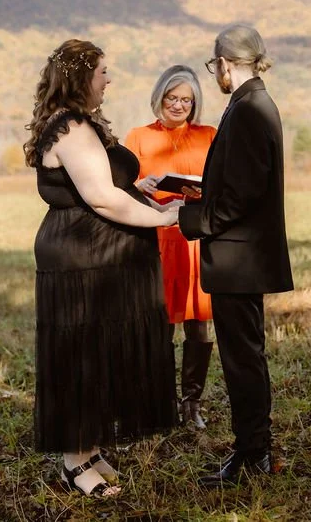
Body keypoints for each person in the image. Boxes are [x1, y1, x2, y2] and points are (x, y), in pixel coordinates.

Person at [24, 39, 180, 498]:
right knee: (81, 354)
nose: (109, 80)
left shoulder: (82, 123)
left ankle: (89, 446)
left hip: (104, 259)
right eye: (103, 72)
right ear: (80, 78)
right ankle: (74, 460)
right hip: (82, 259)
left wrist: (141, 185)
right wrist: (162, 218)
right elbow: (99, 197)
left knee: (103, 348)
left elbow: (108, 182)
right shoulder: (70, 127)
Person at [177, 24, 294, 488]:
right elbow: (240, 183)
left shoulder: (249, 109)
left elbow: (242, 197)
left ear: (225, 63)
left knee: (243, 359)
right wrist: (200, 192)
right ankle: (253, 452)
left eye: (215, 67)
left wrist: (186, 219)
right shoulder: (250, 105)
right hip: (239, 256)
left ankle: (253, 456)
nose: (216, 75)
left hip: (238, 260)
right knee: (244, 357)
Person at [124, 65, 216, 429]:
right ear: (159, 98)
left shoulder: (209, 135)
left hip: (195, 240)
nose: (178, 105)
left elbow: (223, 184)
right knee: (157, 324)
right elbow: (120, 188)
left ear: (194, 104)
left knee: (198, 326)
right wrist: (140, 186)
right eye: (172, 98)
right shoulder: (138, 137)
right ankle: (158, 403)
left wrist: (200, 191)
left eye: (186, 100)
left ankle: (191, 404)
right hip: (157, 240)